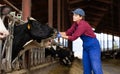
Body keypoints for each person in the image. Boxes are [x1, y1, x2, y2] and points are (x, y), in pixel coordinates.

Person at [60, 8, 103, 74]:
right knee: (86, 68)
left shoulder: (83, 25)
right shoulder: (75, 24)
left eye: (76, 15)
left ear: (81, 17)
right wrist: (57, 33)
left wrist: (61, 36)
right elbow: (68, 32)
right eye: (73, 14)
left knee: (95, 67)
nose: (73, 16)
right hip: (85, 47)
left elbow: (73, 37)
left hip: (93, 46)